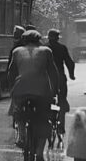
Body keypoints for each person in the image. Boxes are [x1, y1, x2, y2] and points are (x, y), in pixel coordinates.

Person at [8, 28, 59, 161]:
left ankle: (21, 132)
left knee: (18, 109)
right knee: (44, 119)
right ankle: (40, 151)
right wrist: (54, 91)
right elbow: (53, 73)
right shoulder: (46, 51)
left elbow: (11, 73)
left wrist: (12, 89)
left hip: (21, 90)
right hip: (41, 92)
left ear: (24, 40)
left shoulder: (16, 51)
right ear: (39, 40)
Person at [46, 28, 75, 133]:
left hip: (47, 78)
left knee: (46, 99)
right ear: (58, 38)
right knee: (62, 99)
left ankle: (46, 121)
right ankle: (61, 125)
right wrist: (71, 75)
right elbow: (69, 62)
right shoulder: (62, 48)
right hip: (60, 78)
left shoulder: (44, 48)